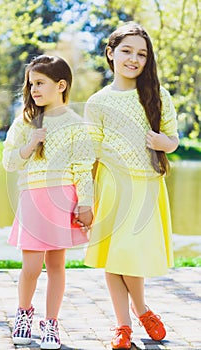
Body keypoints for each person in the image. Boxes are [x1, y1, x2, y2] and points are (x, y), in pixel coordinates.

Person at [84, 22, 179, 349]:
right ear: (111, 53)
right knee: (116, 256)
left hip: (146, 186)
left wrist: (163, 142)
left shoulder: (158, 95)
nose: (133, 59)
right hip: (111, 188)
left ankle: (139, 311)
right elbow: (88, 154)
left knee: (130, 255)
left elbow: (174, 139)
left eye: (142, 53)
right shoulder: (98, 102)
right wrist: (85, 199)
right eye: (126, 51)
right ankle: (124, 325)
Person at [2, 55, 94, 349]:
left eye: (40, 83)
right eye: (31, 85)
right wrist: (30, 145)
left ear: (61, 85)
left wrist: (86, 204)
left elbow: (82, 169)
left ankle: (51, 323)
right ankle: (23, 313)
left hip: (62, 200)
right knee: (31, 266)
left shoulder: (76, 125)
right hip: (33, 199)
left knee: (57, 265)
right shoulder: (24, 122)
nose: (34, 90)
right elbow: (8, 162)